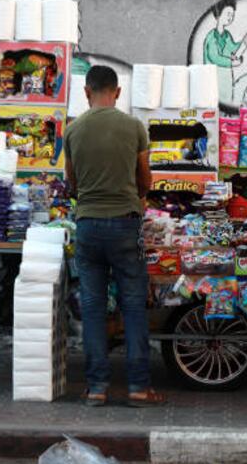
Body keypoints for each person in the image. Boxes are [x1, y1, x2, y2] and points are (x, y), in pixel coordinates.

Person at [64, 65, 165, 408]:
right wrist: (135, 196)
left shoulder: (73, 129)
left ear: (86, 92)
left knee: (92, 309)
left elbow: (71, 184)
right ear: (118, 92)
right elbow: (145, 179)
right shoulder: (134, 126)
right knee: (134, 306)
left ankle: (96, 388)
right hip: (125, 223)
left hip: (88, 225)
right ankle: (138, 387)